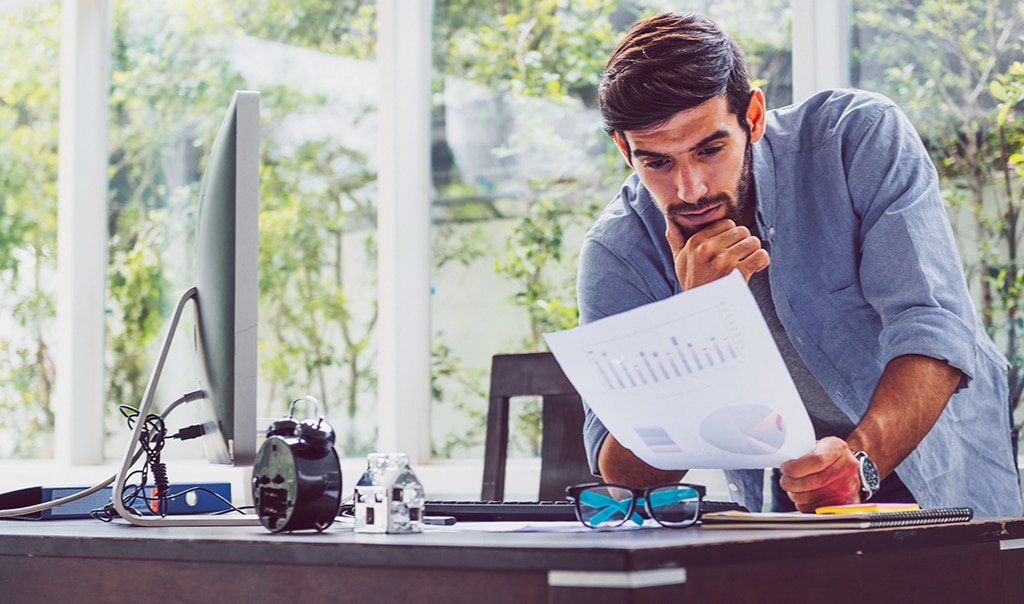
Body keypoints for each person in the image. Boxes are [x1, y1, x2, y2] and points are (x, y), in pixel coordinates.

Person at [577, 11, 1023, 517]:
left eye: (710, 148)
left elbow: (933, 326)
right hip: (803, 497)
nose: (690, 189)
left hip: (947, 475)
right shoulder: (617, 252)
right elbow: (622, 469)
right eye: (657, 161)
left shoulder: (857, 139)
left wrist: (859, 462)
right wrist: (698, 322)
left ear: (754, 116)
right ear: (623, 149)